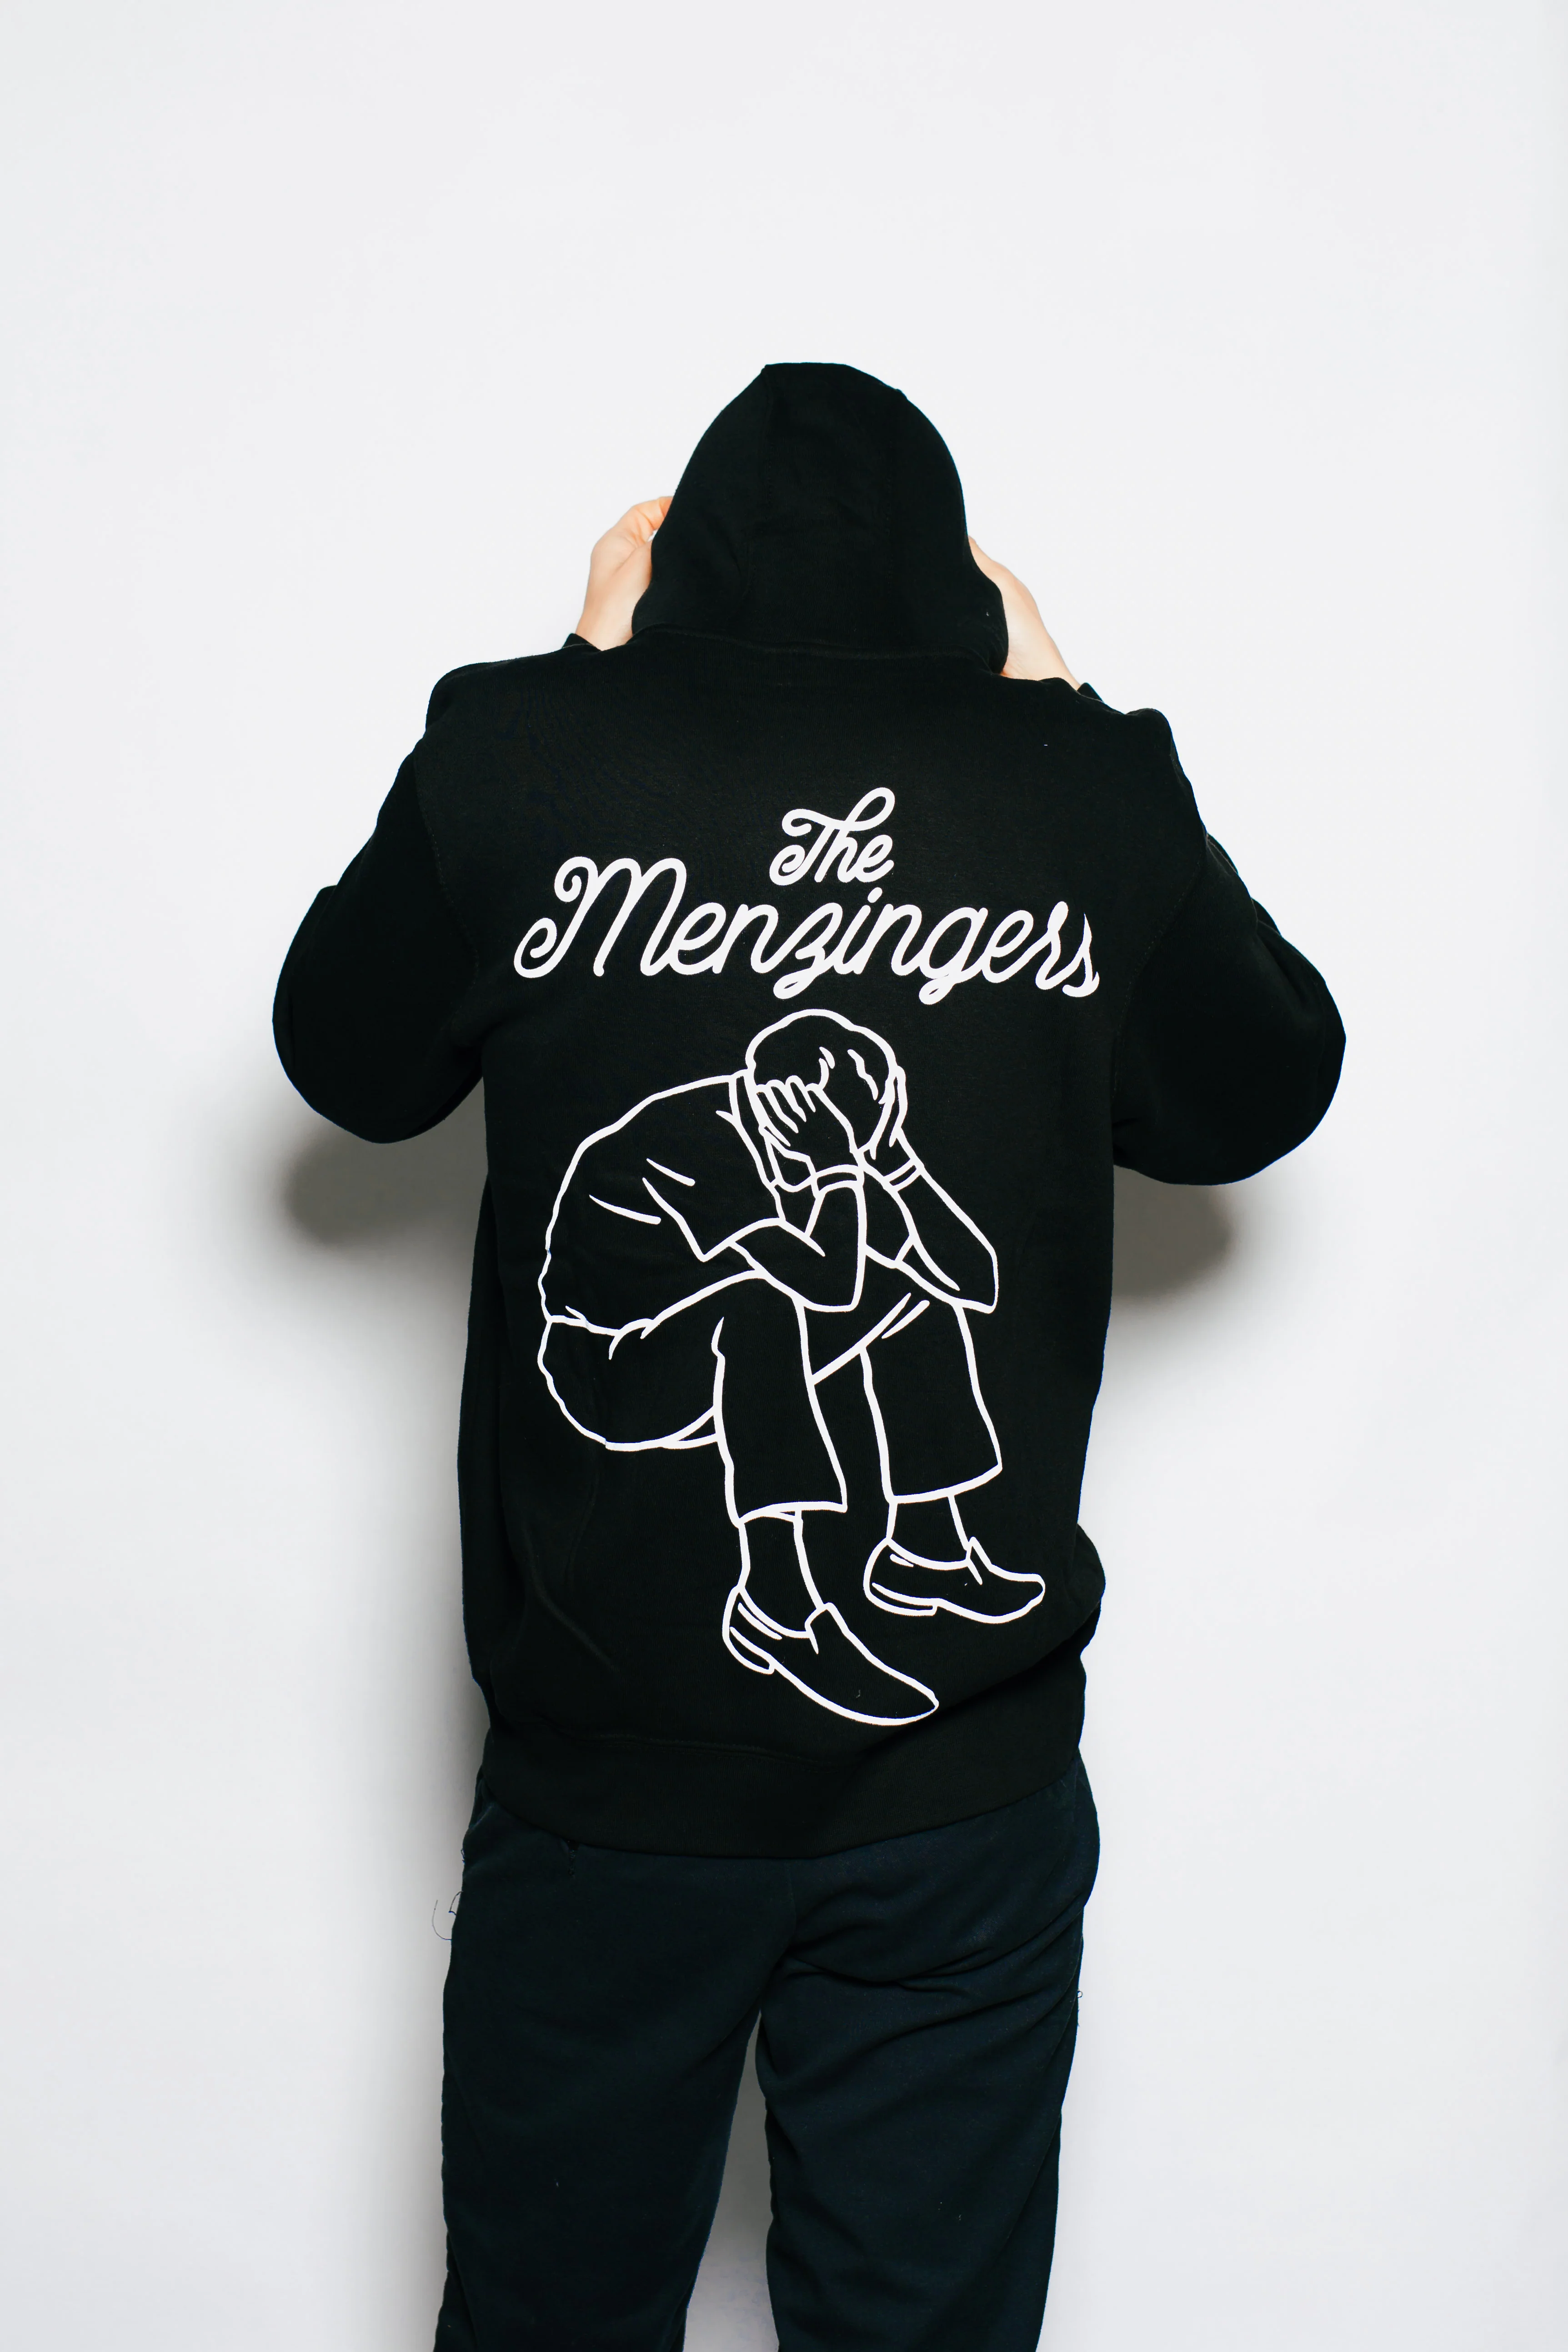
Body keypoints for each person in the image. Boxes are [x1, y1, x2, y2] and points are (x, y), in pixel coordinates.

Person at [274, 363, 1344, 2352]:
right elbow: (1254, 1083)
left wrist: (579, 682)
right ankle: (791, 1589)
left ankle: (916, 1545)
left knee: (551, 2324)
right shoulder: (1065, 796)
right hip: (644, 1392)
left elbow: (350, 1055)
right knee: (784, 1279)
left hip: (714, 1787)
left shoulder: (528, 757)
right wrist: (1066, 722)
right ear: (961, 592)